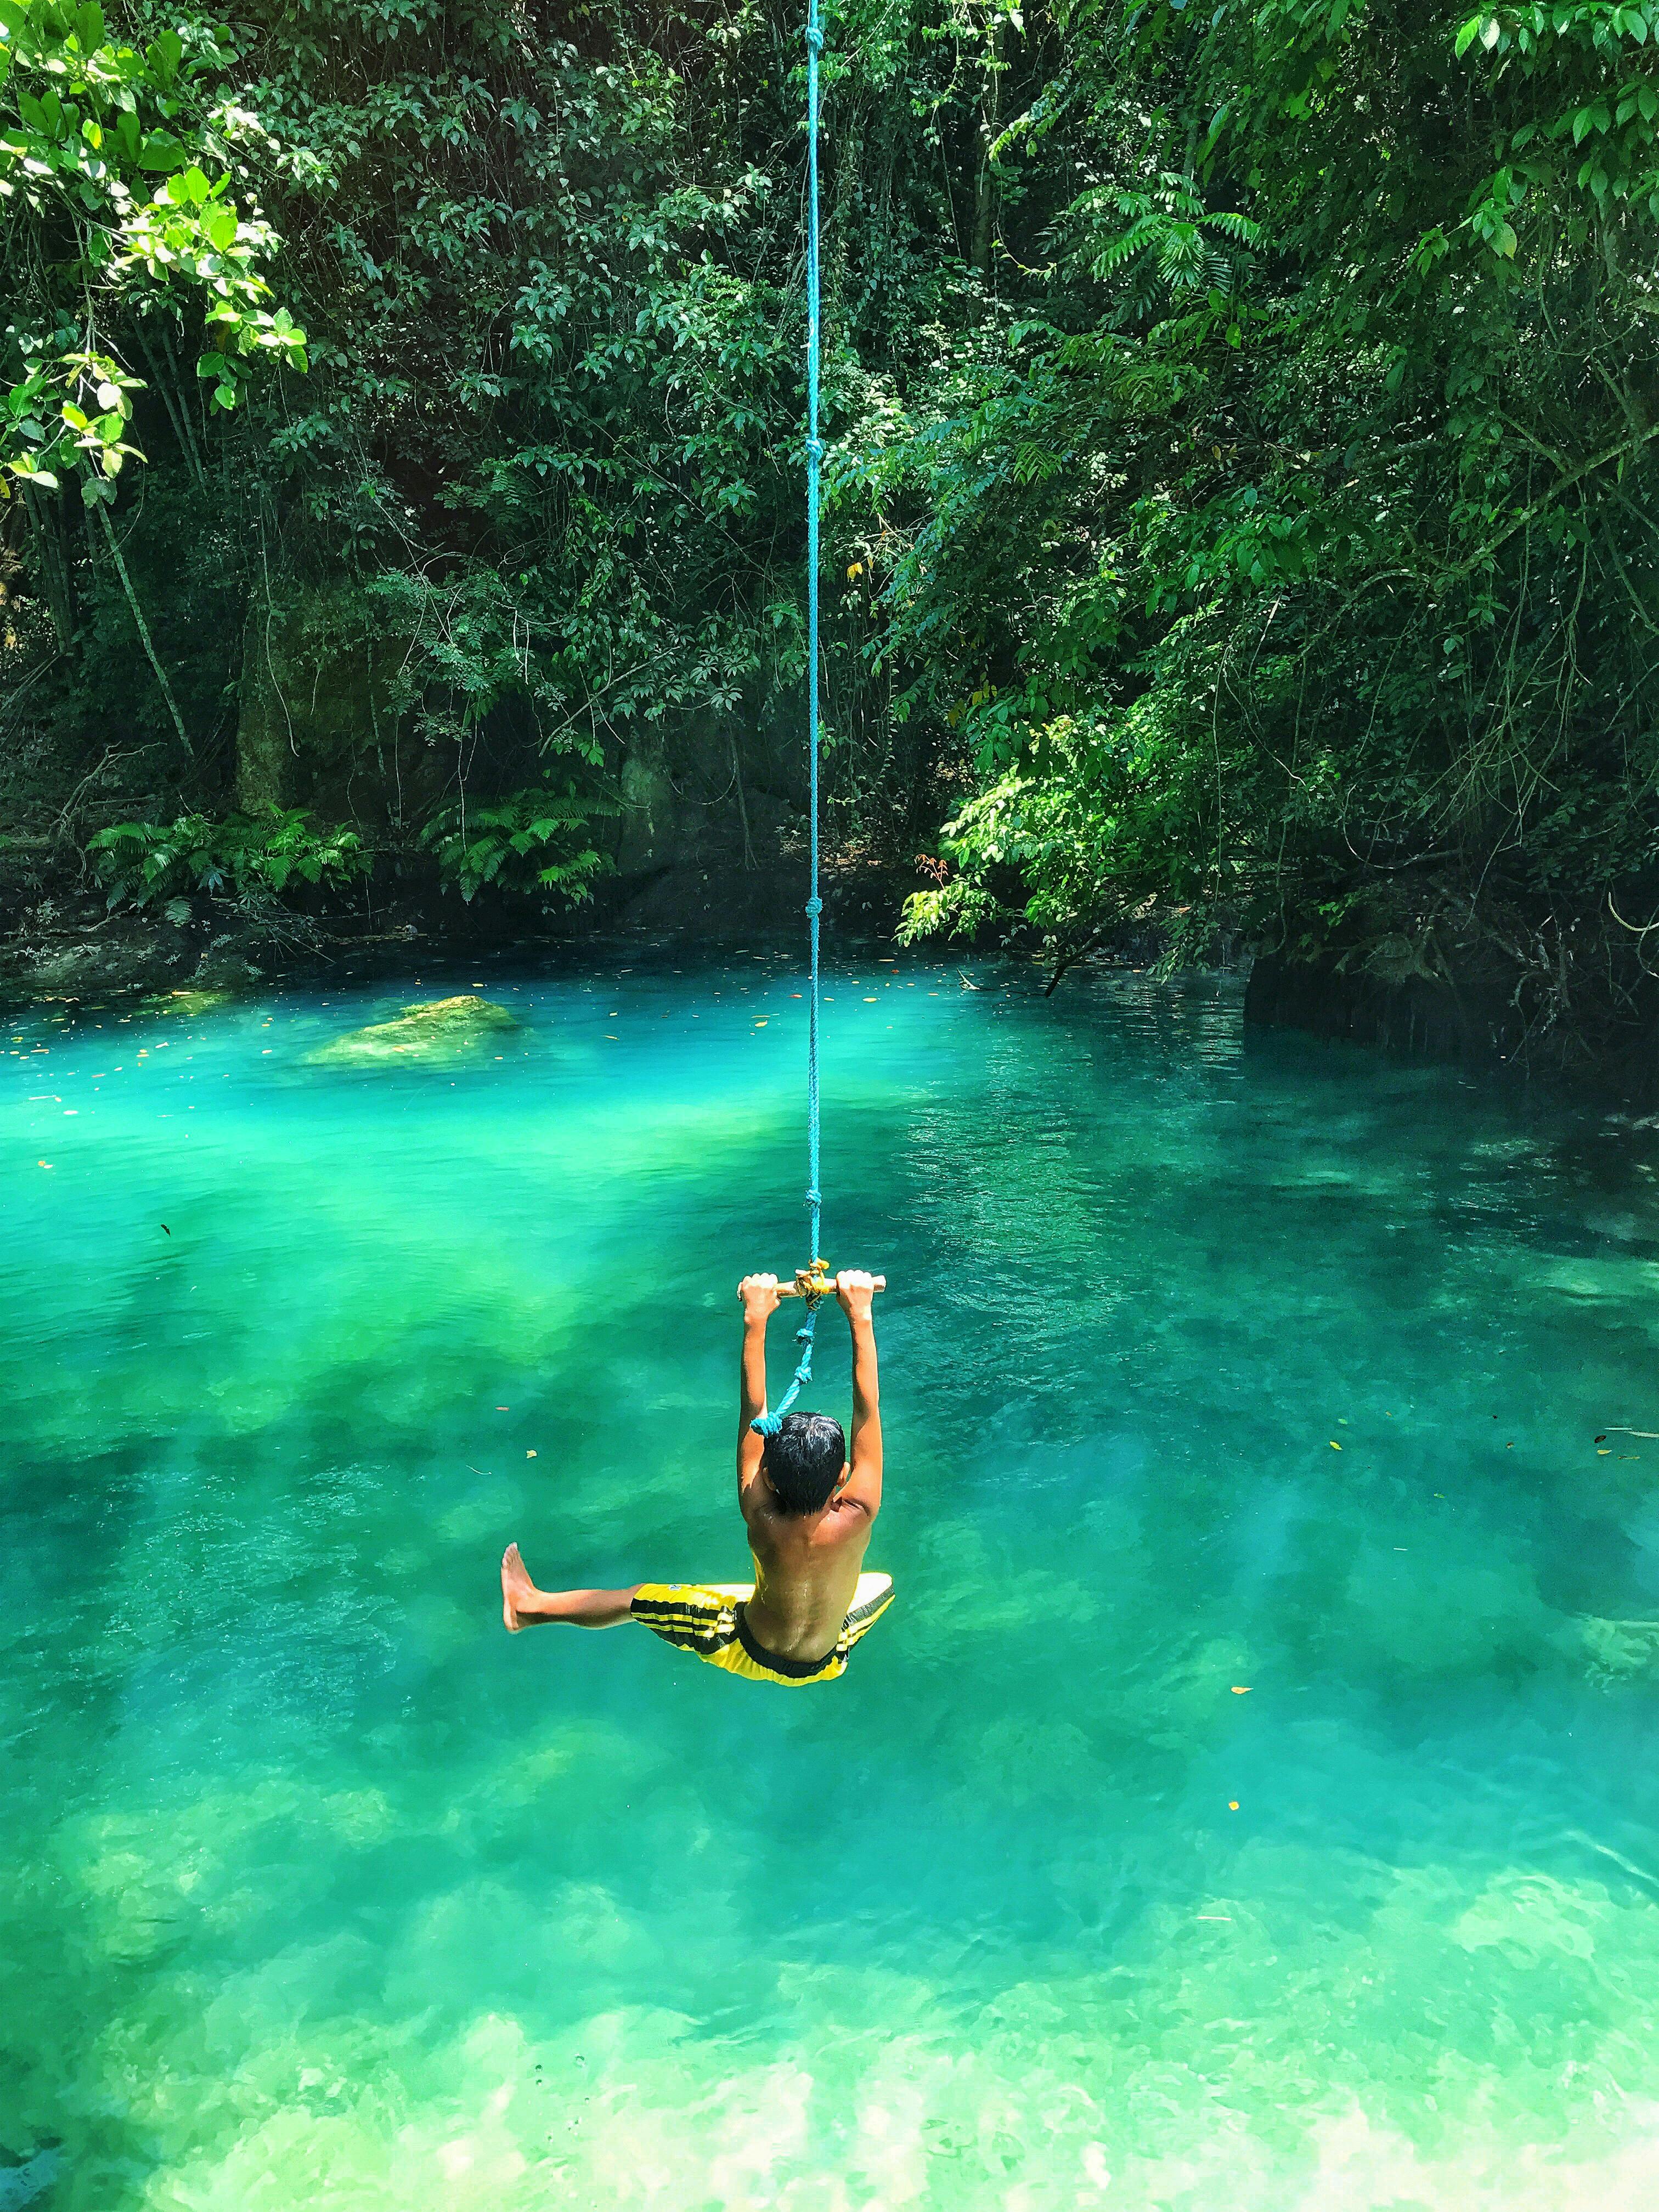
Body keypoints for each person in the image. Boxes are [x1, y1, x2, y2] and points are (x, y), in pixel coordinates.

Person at [499, 1268, 891, 1686]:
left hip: (742, 1646)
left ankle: (528, 1608)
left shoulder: (760, 1513)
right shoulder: (861, 1511)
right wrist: (860, 1313)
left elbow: (753, 1411)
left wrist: (756, 1318)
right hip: (827, 1660)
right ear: (843, 1477)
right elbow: (868, 1408)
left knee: (635, 1600)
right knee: (882, 1584)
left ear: (770, 1480)